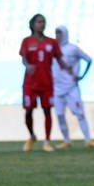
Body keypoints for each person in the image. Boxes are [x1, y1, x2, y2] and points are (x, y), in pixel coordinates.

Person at [19, 14, 69, 153]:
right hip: (30, 83)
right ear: (33, 24)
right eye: (39, 22)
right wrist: (27, 65)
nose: (42, 24)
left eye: (43, 22)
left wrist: (69, 70)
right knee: (28, 110)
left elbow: (60, 60)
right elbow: (24, 58)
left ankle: (47, 141)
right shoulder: (27, 41)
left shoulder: (52, 43)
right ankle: (32, 136)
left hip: (46, 83)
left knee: (47, 111)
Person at [52, 25, 94, 149]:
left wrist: (82, 76)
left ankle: (88, 140)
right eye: (56, 33)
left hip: (71, 87)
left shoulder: (73, 49)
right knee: (59, 114)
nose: (57, 36)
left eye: (59, 33)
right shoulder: (52, 49)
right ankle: (66, 140)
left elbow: (89, 60)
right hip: (57, 88)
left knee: (79, 113)